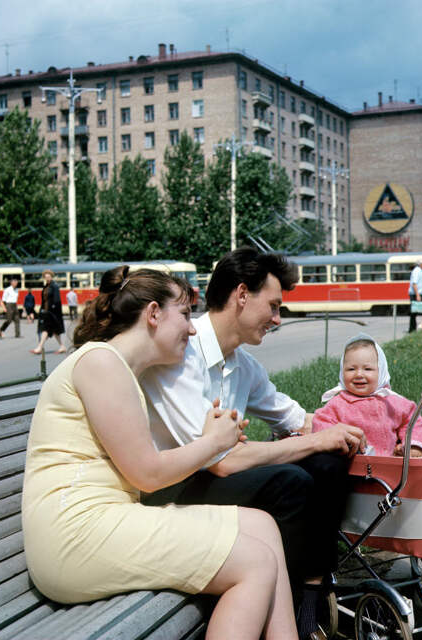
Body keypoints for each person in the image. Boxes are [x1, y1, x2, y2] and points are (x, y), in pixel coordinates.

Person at [22, 265, 298, 640]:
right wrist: (214, 443)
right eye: (184, 314)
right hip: (74, 536)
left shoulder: (115, 367)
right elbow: (147, 474)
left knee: (263, 527)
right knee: (255, 563)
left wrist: (211, 441)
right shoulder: (100, 363)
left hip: (98, 523)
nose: (191, 327)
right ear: (153, 314)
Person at [140, 246, 366, 640]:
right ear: (242, 295)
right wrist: (313, 442)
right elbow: (220, 461)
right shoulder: (181, 355)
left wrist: (381, 426)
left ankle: (312, 592)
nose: (278, 319)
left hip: (211, 477)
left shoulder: (242, 364)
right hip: (170, 490)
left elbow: (301, 420)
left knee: (328, 462)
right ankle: (289, 609)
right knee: (290, 482)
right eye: (274, 306)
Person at [313, 334, 422, 457]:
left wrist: (413, 446)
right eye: (351, 369)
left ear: (381, 372)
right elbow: (321, 425)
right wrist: (337, 443)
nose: (359, 374)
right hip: (351, 467)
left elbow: (412, 421)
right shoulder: (337, 404)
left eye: (367, 369)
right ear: (342, 372)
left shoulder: (392, 403)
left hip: (390, 466)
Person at [31, 270, 66, 355]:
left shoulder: (54, 286)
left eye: (48, 277)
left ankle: (40, 347)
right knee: (50, 330)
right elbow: (44, 300)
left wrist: (54, 310)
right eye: (46, 277)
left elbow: (57, 300)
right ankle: (61, 346)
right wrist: (42, 310)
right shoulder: (46, 287)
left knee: (48, 330)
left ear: (51, 277)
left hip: (52, 313)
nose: (47, 278)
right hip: (46, 312)